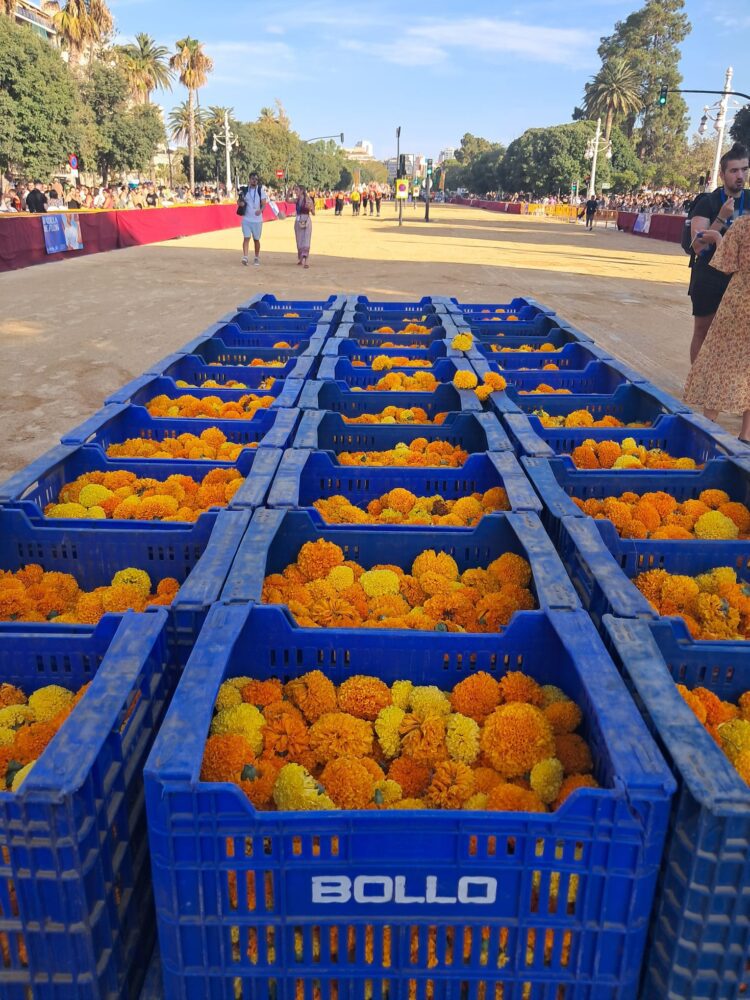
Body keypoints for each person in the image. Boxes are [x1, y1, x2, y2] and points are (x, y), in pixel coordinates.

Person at [684, 216, 750, 443]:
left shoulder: (743, 224)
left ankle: (708, 426)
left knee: (719, 361)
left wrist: (718, 237)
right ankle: (746, 435)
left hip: (739, 303)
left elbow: (726, 265)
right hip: (740, 304)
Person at [687, 143, 749, 363]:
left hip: (741, 279)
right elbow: (698, 245)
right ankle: (697, 385)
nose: (740, 175)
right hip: (710, 276)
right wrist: (722, 218)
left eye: (744, 169)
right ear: (722, 174)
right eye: (734, 171)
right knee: (703, 331)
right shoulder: (708, 202)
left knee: (738, 337)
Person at [239, 171, 267, 266]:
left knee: (256, 239)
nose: (254, 181)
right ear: (249, 179)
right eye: (252, 179)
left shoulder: (260, 191)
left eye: (256, 179)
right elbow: (239, 202)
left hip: (257, 220)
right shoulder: (245, 191)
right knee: (246, 237)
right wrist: (240, 203)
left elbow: (264, 204)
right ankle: (245, 257)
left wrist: (260, 210)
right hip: (247, 219)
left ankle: (256, 257)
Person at [294, 184, 315, 268]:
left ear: (302, 191)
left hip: (306, 220)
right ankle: (301, 259)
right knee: (299, 240)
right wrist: (288, 192)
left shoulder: (308, 200)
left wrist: (310, 208)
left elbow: (313, 213)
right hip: (299, 220)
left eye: (297, 190)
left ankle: (306, 261)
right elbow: (287, 200)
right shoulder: (297, 200)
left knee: (306, 239)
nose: (295, 192)